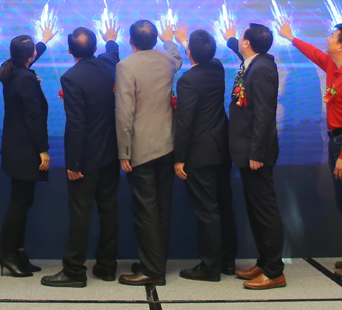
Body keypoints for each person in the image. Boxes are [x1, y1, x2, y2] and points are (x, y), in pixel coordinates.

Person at [282, 21, 342, 280]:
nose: (327, 38)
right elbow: (314, 54)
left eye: (332, 36)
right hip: (339, 141)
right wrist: (291, 38)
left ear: (341, 45)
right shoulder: (334, 65)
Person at [41, 23, 122, 288]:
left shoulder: (71, 77)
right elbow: (113, 52)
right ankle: (107, 267)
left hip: (85, 160)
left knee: (80, 214)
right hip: (110, 153)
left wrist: (73, 163)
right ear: (96, 47)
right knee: (109, 211)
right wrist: (111, 39)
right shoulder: (108, 65)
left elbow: (76, 124)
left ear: (69, 50)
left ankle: (74, 271)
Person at [115, 19, 182, 286]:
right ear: (155, 40)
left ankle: (152, 271)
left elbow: (124, 112)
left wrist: (124, 151)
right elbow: (177, 56)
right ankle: (155, 262)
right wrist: (169, 39)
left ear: (131, 41)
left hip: (141, 149)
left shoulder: (125, 65)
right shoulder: (168, 60)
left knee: (146, 211)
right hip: (168, 144)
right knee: (162, 208)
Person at [173, 26, 238, 282]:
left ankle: (210, 267)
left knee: (206, 211)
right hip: (222, 148)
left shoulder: (187, 80)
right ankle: (228, 262)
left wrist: (179, 158)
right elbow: (202, 58)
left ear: (190, 52)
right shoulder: (217, 68)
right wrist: (185, 43)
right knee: (224, 206)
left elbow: (185, 122)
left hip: (200, 153)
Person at [224, 22, 286, 290]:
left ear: (248, 43)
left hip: (256, 154)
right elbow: (243, 56)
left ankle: (274, 271)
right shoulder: (254, 63)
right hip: (248, 151)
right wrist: (230, 41)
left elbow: (264, 114)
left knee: (265, 211)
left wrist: (257, 152)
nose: (238, 39)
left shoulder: (261, 69)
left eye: (240, 37)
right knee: (256, 210)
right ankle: (264, 262)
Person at [0, 29, 54, 277]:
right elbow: (33, 117)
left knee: (22, 202)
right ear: (29, 57)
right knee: (19, 204)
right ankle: (8, 255)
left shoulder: (13, 72)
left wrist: (43, 42)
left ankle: (19, 253)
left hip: (14, 148)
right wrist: (43, 150)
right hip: (25, 150)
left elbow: (27, 57)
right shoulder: (26, 78)